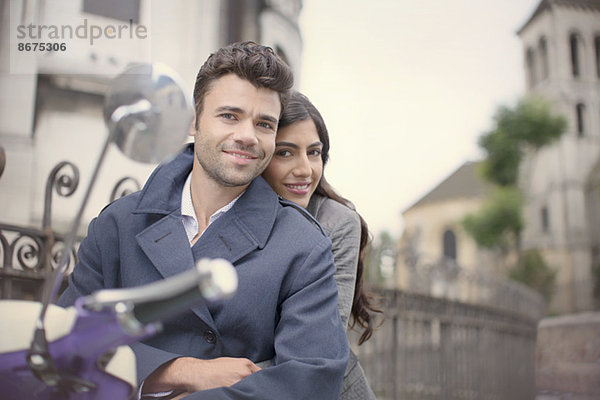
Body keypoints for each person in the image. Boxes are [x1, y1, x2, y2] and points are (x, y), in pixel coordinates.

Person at [58, 42, 349, 399]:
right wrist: (182, 371)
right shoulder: (117, 225)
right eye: (230, 115)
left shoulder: (303, 246)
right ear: (193, 122)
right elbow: (64, 340)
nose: (247, 135)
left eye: (264, 124)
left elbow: (309, 382)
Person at [262, 91, 381, 400]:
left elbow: (322, 343)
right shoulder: (229, 217)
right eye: (285, 153)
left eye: (313, 153)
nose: (305, 169)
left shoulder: (336, 222)